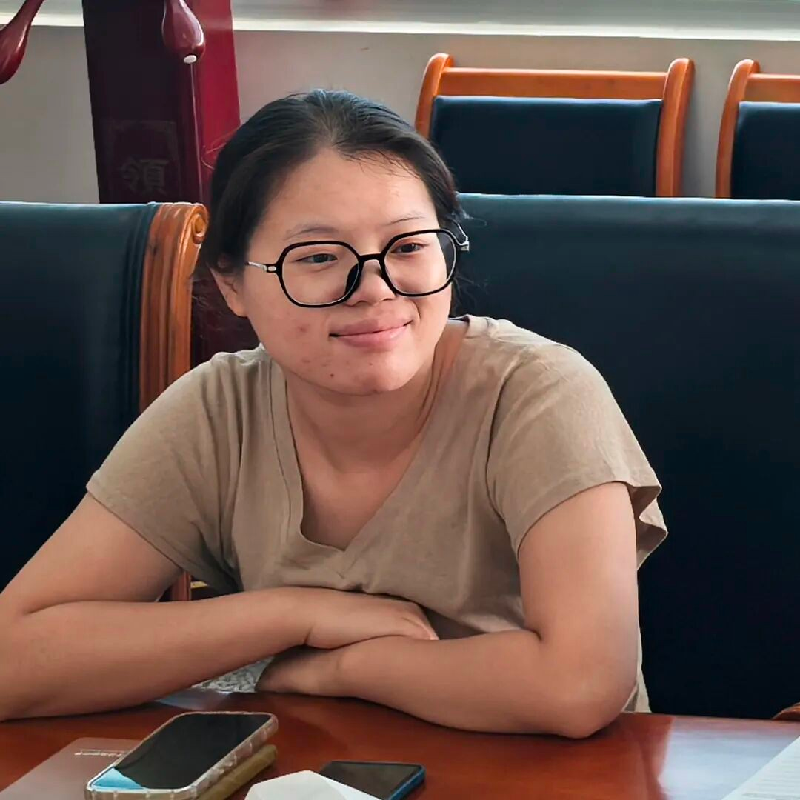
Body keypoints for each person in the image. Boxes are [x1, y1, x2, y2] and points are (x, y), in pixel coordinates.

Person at [0, 90, 666, 737]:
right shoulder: (219, 410)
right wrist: (293, 615)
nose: (374, 289)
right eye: (318, 257)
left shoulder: (538, 394)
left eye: (409, 246)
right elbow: (12, 660)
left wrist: (341, 669)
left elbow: (580, 685)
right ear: (232, 283)